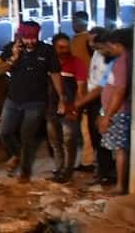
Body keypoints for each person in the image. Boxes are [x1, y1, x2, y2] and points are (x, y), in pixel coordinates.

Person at [0, 21, 65, 183]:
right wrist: (14, 57)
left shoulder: (47, 51)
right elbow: (0, 71)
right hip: (13, 100)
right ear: (20, 37)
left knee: (27, 137)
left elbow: (55, 74)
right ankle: (16, 155)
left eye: (33, 38)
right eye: (27, 38)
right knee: (4, 132)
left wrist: (62, 97)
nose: (30, 42)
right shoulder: (10, 48)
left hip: (36, 102)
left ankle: (25, 173)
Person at [72, 27, 117, 186]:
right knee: (95, 137)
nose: (91, 45)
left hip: (101, 100)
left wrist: (79, 103)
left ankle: (107, 174)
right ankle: (102, 171)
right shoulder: (97, 53)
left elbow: (102, 86)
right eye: (89, 42)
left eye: (94, 42)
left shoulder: (111, 59)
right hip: (92, 99)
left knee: (103, 138)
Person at [46, 33, 88, 183]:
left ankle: (67, 172)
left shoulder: (77, 63)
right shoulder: (48, 64)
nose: (65, 50)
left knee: (69, 141)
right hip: (51, 108)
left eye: (67, 47)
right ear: (53, 47)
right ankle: (59, 169)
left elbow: (81, 88)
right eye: (60, 47)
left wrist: (75, 108)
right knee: (55, 141)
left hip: (70, 108)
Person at [97, 28, 132, 195]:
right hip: (118, 111)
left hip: (119, 112)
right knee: (119, 149)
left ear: (118, 45)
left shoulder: (122, 62)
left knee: (120, 150)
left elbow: (119, 90)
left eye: (110, 45)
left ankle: (120, 185)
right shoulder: (125, 59)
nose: (109, 49)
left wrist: (107, 115)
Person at [70, 11, 95, 172]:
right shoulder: (89, 41)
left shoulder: (79, 41)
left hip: (83, 89)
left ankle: (88, 161)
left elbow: (78, 69)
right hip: (89, 88)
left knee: (85, 128)